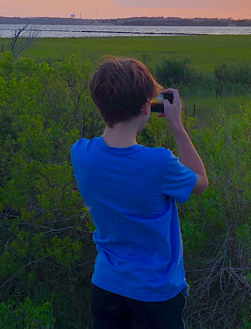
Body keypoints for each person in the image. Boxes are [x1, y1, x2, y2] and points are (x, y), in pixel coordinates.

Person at [71, 56, 209, 329]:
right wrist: (177, 126)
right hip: (155, 294)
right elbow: (201, 182)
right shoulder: (159, 163)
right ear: (146, 107)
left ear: (100, 105)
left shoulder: (80, 153)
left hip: (106, 286)